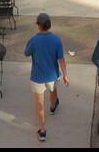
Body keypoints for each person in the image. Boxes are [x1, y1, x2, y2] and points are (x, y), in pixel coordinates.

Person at [23, 13, 69, 142]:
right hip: (52, 74)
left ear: (38, 26)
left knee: (39, 105)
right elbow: (61, 59)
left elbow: (26, 53)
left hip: (37, 77)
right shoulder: (56, 39)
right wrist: (65, 75)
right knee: (53, 90)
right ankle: (53, 106)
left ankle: (42, 131)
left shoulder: (34, 40)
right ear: (49, 25)